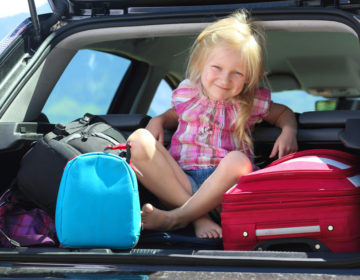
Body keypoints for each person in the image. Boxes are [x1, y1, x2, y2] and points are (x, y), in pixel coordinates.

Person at [128, 10, 298, 239]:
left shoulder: (250, 101)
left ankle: (176, 218)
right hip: (180, 181)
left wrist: (289, 131)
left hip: (224, 191)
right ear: (200, 63)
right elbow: (174, 115)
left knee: (238, 160)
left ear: (248, 77)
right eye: (217, 68)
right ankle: (197, 217)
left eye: (237, 73)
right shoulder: (188, 93)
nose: (224, 79)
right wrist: (158, 120)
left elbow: (283, 113)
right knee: (138, 140)